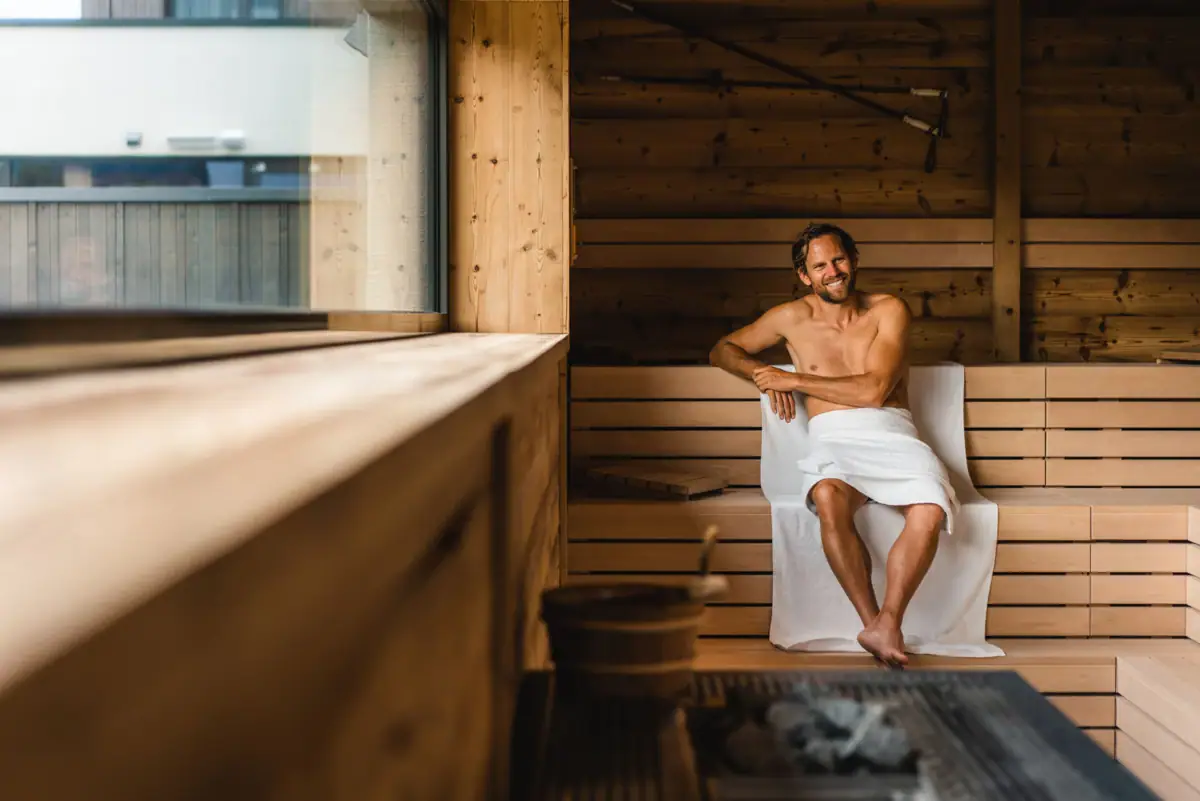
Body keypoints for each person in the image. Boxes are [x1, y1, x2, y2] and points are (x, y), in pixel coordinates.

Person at [708, 221, 957, 668]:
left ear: (854, 260)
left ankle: (889, 620)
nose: (832, 272)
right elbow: (722, 350)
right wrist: (761, 376)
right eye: (820, 266)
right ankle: (872, 623)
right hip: (835, 437)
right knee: (826, 495)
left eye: (839, 260)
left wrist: (794, 379)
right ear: (805, 276)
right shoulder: (790, 318)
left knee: (931, 508)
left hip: (892, 431)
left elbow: (874, 390)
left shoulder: (889, 310)